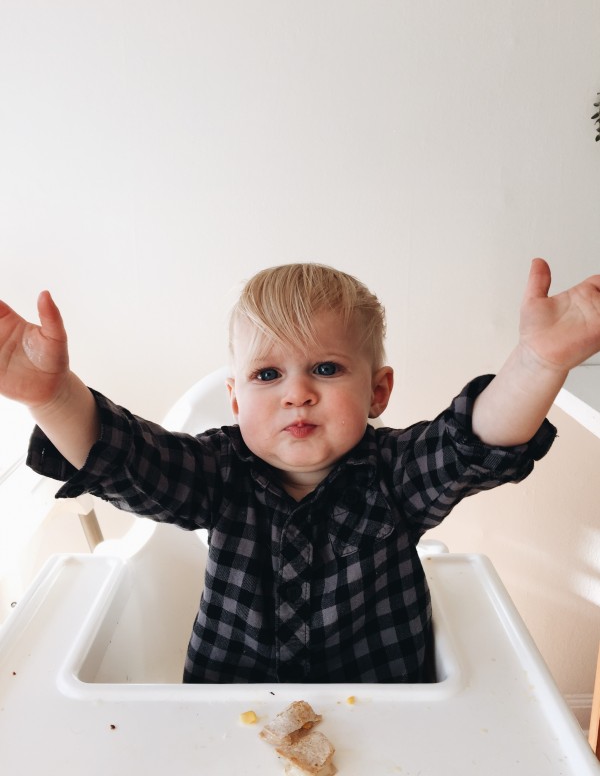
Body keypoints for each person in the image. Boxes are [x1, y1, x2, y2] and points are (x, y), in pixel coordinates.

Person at [0, 258, 599, 683]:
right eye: (268, 375)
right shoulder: (217, 470)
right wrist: (51, 397)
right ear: (236, 400)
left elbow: (474, 442)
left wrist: (537, 363)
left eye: (327, 369)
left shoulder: (396, 473)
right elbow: (125, 458)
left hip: (387, 714)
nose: (297, 393)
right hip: (230, 717)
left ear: (379, 391)